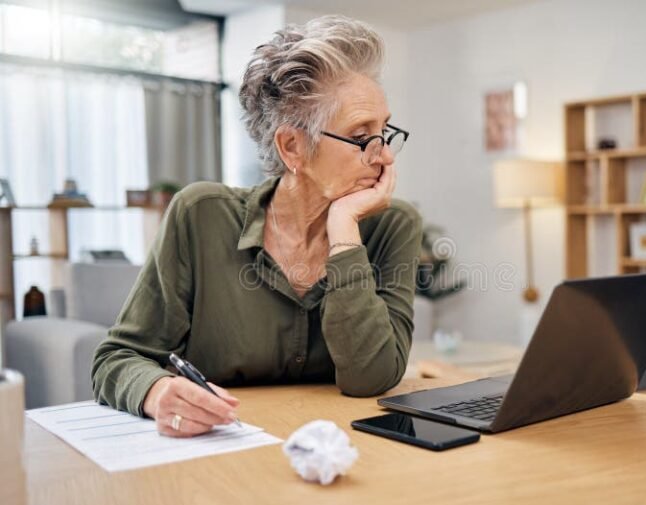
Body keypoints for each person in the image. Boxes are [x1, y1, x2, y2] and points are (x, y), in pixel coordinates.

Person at [91, 15, 422, 438]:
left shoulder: (392, 225)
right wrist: (157, 392)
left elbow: (371, 378)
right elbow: (116, 358)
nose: (385, 156)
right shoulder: (200, 215)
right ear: (292, 147)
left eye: (384, 132)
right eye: (361, 137)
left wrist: (343, 231)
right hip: (218, 448)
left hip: (347, 451)